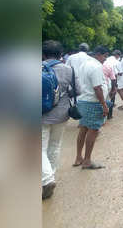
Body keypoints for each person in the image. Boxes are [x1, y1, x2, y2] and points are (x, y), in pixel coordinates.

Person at [42, 40, 75, 199]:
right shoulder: (69, 69)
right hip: (62, 114)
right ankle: (50, 176)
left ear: (43, 54)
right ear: (60, 54)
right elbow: (77, 91)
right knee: (55, 145)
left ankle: (47, 179)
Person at [74, 46, 110, 170]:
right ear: (98, 54)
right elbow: (97, 88)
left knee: (83, 128)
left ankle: (79, 157)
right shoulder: (96, 67)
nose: (105, 59)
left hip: (83, 100)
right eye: (105, 56)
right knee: (93, 130)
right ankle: (87, 160)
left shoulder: (85, 64)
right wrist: (104, 105)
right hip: (93, 102)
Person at [103, 50, 120, 119]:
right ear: (117, 55)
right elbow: (115, 76)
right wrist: (115, 87)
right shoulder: (116, 62)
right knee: (111, 99)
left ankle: (103, 115)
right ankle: (109, 115)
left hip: (103, 83)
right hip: (110, 83)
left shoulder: (106, 60)